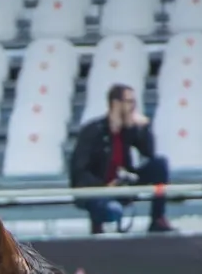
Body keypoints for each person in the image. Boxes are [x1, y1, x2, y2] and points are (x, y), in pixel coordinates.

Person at [69, 83, 172, 234]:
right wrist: (103, 187)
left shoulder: (128, 130)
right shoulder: (93, 130)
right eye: (129, 102)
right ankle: (98, 227)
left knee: (159, 165)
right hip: (99, 189)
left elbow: (149, 153)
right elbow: (79, 170)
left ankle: (157, 219)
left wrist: (143, 129)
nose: (133, 107)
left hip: (123, 183)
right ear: (116, 104)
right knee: (111, 210)